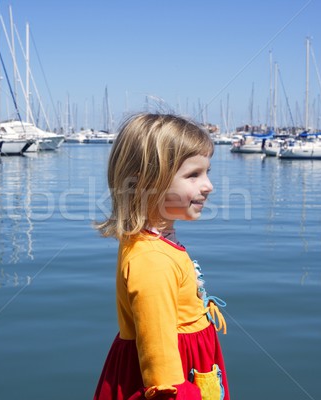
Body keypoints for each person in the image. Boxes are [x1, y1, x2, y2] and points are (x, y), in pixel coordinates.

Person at [93, 113, 230, 400]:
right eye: (193, 175)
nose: (208, 186)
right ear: (147, 182)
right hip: (177, 381)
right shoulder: (152, 261)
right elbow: (162, 374)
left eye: (207, 172)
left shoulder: (155, 240)